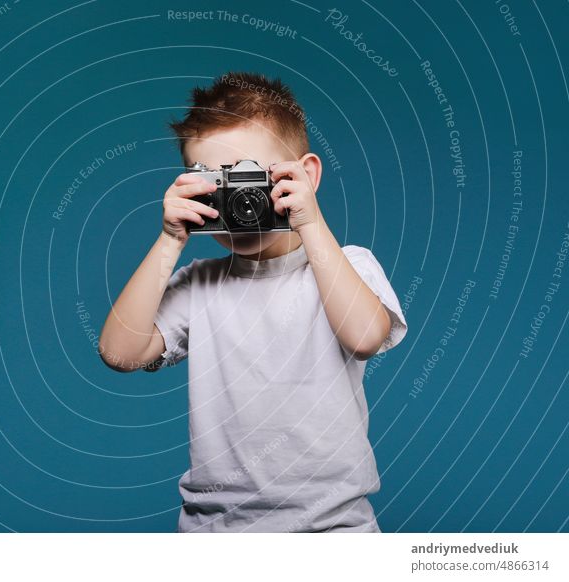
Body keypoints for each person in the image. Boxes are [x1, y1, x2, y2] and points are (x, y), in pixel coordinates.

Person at [98, 71, 408, 532]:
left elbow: (364, 338)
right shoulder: (199, 283)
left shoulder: (348, 265)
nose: (238, 203)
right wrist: (169, 241)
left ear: (305, 176)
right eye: (214, 185)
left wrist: (310, 222)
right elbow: (119, 354)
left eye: (248, 180)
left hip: (335, 531)